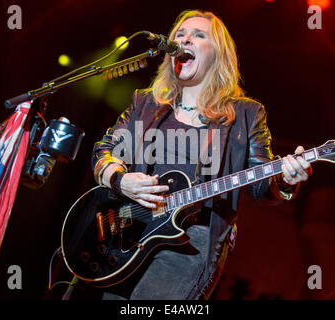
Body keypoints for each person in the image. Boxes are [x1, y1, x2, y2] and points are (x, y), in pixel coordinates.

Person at [84, 9, 312, 300]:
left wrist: (286, 181)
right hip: (128, 229)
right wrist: (119, 180)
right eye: (180, 34)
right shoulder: (146, 102)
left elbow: (261, 186)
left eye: (198, 35)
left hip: (191, 241)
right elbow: (104, 151)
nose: (184, 39)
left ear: (218, 55)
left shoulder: (245, 114)